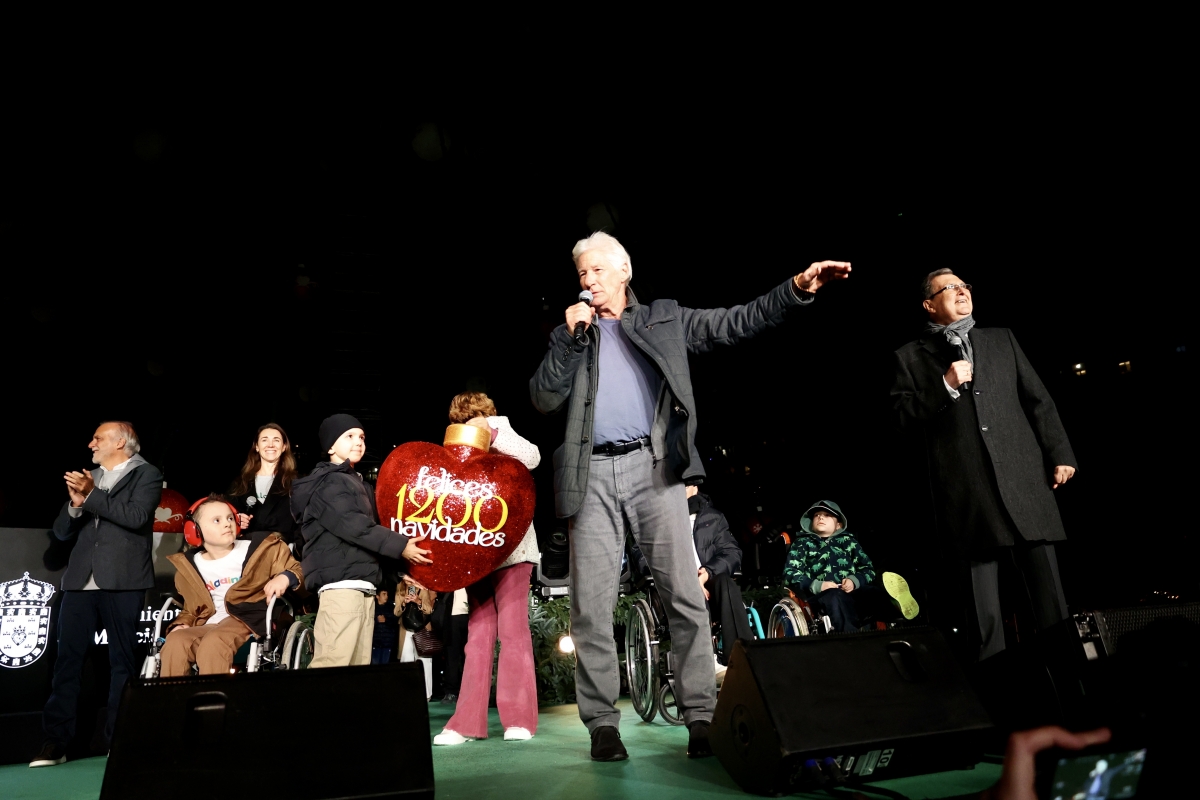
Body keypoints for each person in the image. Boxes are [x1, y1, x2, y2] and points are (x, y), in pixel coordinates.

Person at [529, 231, 850, 761]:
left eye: (597, 271)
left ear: (624, 271)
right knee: (590, 608)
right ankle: (602, 725)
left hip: (655, 469)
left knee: (683, 592)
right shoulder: (574, 334)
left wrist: (795, 288)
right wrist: (567, 338)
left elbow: (736, 321)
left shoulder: (664, 318)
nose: (587, 281)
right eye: (581, 273)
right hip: (589, 474)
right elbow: (543, 397)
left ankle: (701, 716)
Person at [891, 270, 1077, 662]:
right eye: (949, 288)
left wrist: (1059, 452)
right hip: (967, 493)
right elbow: (900, 419)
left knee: (1051, 605)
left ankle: (1069, 685)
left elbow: (1037, 399)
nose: (961, 291)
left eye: (964, 286)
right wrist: (943, 384)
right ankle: (1000, 698)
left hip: (1023, 481)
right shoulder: (910, 356)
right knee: (985, 615)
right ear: (929, 305)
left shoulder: (1001, 339)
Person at [32, 422, 163, 768]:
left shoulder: (146, 474)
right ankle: (55, 744)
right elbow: (61, 532)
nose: (91, 443)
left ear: (120, 442)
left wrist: (92, 496)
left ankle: (118, 741)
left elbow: (135, 517)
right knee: (66, 664)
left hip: (123, 581)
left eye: (98, 438)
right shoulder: (88, 477)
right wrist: (76, 504)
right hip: (79, 583)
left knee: (123, 662)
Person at [436, 391, 541, 745]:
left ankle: (519, 720)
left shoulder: (502, 431)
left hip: (514, 549)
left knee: (513, 633)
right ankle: (465, 723)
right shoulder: (458, 442)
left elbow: (533, 457)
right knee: (478, 637)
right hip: (477, 551)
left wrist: (492, 432)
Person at [290, 414, 433, 668]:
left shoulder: (358, 483)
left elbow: (371, 537)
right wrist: (402, 547)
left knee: (354, 674)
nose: (358, 442)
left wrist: (399, 573)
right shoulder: (329, 483)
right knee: (332, 667)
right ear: (330, 446)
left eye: (362, 437)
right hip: (341, 588)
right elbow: (357, 528)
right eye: (349, 436)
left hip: (361, 588)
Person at [161, 494, 302, 676]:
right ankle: (174, 701)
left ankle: (213, 702)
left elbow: (296, 568)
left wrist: (285, 577)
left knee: (214, 642)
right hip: (210, 622)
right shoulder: (190, 567)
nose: (227, 523)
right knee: (176, 641)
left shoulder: (261, 549)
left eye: (229, 518)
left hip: (249, 619)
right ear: (195, 531)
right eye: (217, 520)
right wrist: (182, 624)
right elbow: (191, 609)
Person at [781, 500, 918, 634]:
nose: (820, 517)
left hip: (852, 594)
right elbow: (790, 574)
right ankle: (850, 638)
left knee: (872, 592)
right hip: (819, 597)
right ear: (811, 523)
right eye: (816, 515)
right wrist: (818, 585)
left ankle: (897, 610)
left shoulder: (849, 542)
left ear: (838, 525)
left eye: (827, 515)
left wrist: (854, 581)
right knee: (835, 597)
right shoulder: (802, 543)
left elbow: (867, 569)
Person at [685, 487, 753, 680]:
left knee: (726, 583)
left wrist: (707, 573)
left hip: (709, 581)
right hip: (677, 584)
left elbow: (732, 552)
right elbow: (642, 556)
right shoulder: (657, 515)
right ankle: (707, 660)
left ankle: (741, 656)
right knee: (690, 589)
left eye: (684, 485)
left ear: (694, 488)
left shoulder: (713, 517)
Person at [228, 423, 299, 544]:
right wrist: (234, 520)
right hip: (246, 550)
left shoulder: (296, 483)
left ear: (284, 447)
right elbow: (226, 515)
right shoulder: (241, 483)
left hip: (281, 552)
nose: (270, 445)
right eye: (264, 440)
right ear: (256, 446)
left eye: (276, 440)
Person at [371, 588, 398, 664]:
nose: (386, 596)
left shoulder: (391, 608)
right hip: (375, 643)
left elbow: (395, 621)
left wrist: (386, 620)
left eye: (387, 594)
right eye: (383, 594)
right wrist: (376, 620)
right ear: (377, 596)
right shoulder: (373, 607)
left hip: (387, 643)